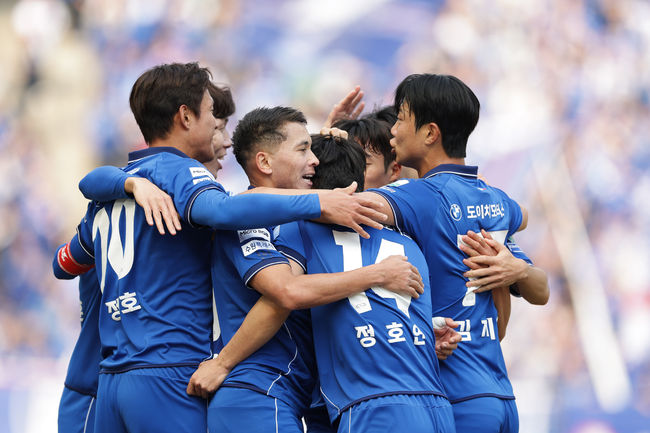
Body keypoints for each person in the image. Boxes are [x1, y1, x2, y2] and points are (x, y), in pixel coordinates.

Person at [57, 62, 390, 433]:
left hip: (112, 379)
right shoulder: (181, 173)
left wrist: (125, 185)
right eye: (213, 116)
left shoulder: (115, 192)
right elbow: (225, 211)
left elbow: (64, 263)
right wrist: (319, 201)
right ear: (186, 117)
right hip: (171, 371)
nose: (222, 135)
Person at [360, 73, 546, 433]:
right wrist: (520, 270)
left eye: (401, 119)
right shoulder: (494, 199)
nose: (393, 131)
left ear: (430, 133)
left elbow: (347, 206)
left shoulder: (421, 197)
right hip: (499, 394)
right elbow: (526, 230)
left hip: (455, 398)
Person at [270, 133, 455, 432]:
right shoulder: (408, 240)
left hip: (372, 404)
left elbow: (286, 292)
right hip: (435, 402)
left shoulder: (297, 230)